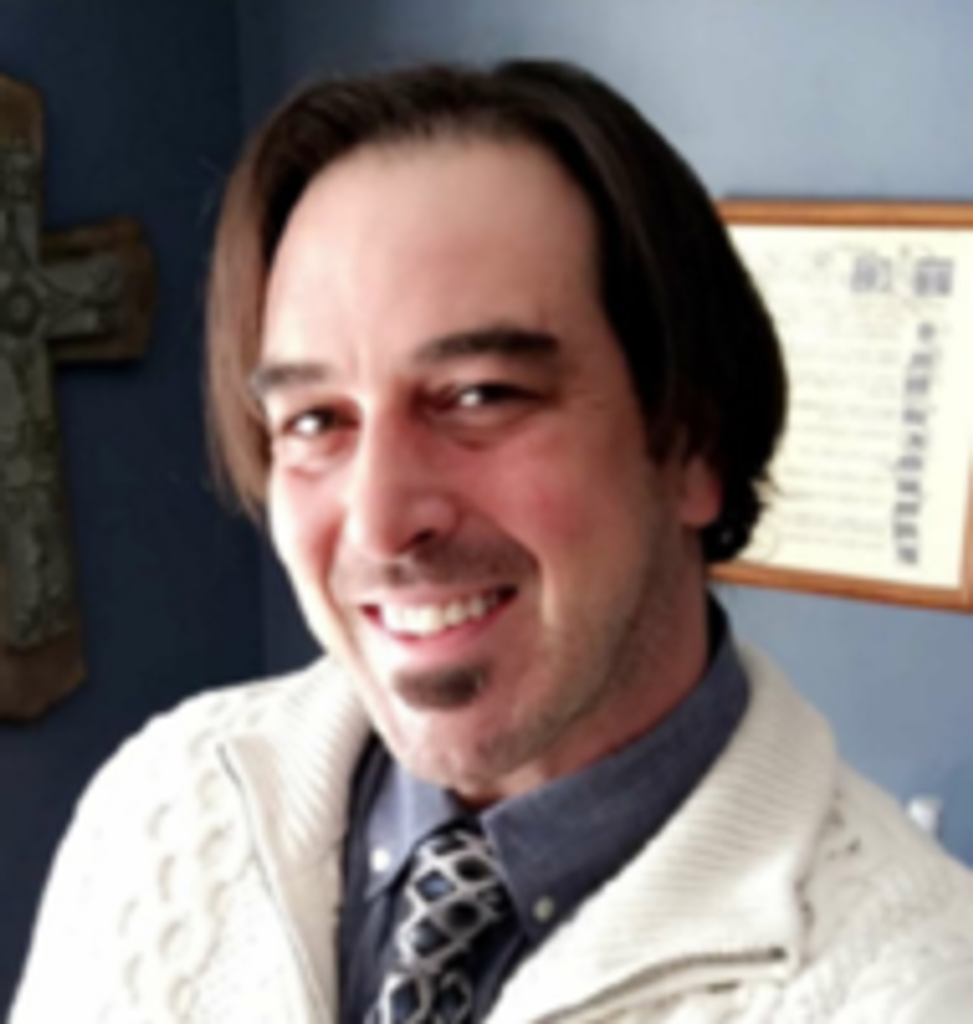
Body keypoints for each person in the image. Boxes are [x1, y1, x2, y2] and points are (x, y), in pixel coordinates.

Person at [12, 60, 973, 1024]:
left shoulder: (916, 990)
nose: (380, 520)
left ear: (692, 446)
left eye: (480, 396)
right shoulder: (163, 804)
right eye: (315, 420)